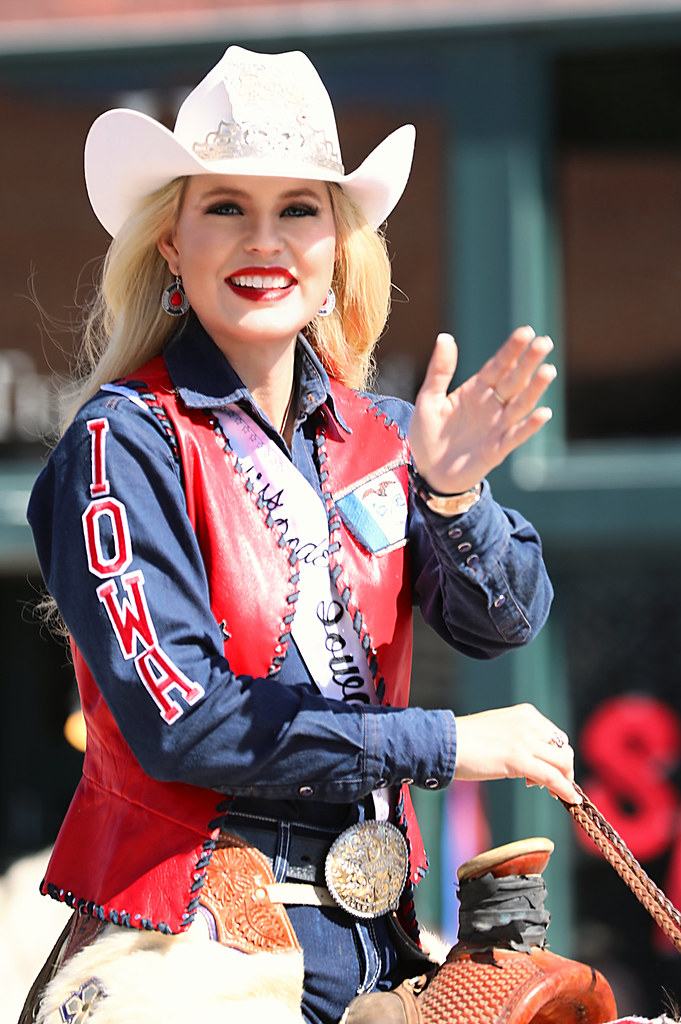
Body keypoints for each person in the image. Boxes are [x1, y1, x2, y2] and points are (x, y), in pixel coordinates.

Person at [23, 45, 581, 1024]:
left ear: (336, 246)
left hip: (379, 937)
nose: (263, 239)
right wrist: (443, 742)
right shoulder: (118, 444)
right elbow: (190, 722)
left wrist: (451, 495)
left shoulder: (394, 437)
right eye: (226, 206)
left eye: (298, 209)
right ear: (171, 244)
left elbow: (508, 621)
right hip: (184, 939)